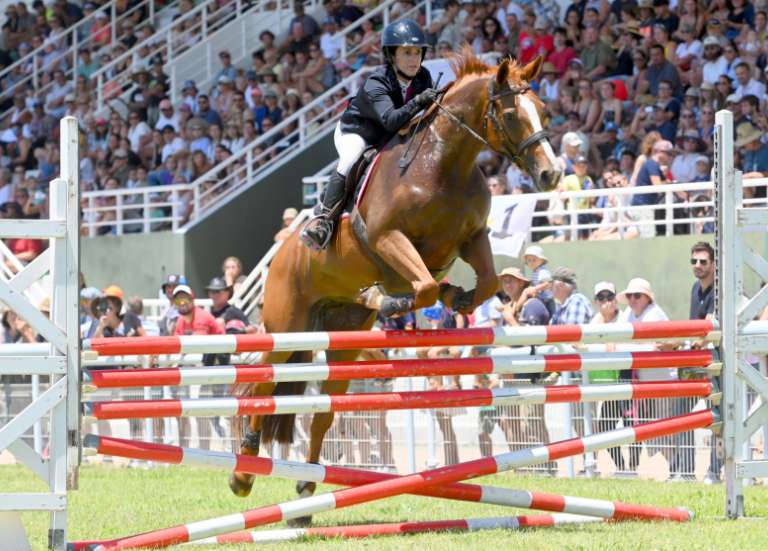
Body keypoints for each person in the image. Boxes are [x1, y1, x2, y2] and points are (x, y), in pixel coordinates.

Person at [300, 19, 438, 250]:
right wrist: (418, 101)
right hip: (358, 132)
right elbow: (391, 120)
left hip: (389, 135)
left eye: (417, 53)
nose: (414, 59)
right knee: (351, 158)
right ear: (392, 55)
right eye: (407, 53)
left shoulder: (423, 77)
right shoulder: (377, 81)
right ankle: (323, 221)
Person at [688, 241, 721, 483]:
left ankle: (715, 470)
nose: (697, 265)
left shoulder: (719, 291)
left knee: (719, 419)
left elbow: (705, 331)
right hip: (703, 364)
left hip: (723, 365)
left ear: (713, 264)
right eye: (694, 261)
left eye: (703, 261)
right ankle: (685, 470)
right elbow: (694, 330)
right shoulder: (695, 289)